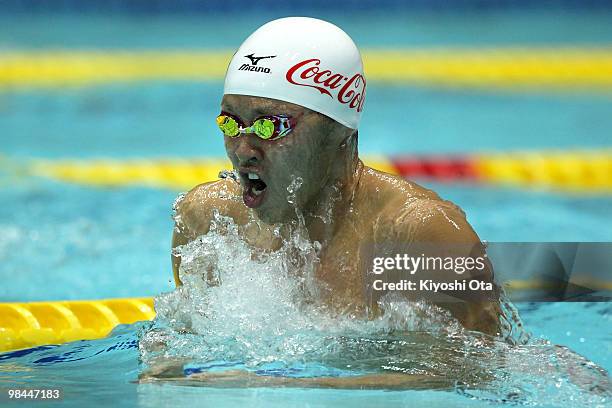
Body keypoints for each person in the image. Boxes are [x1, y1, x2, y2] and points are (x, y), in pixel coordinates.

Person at [171, 17, 501, 338]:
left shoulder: (416, 235)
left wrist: (283, 382)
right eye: (230, 123)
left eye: (269, 125)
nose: (243, 151)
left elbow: (474, 371)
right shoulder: (208, 221)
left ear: (338, 127)